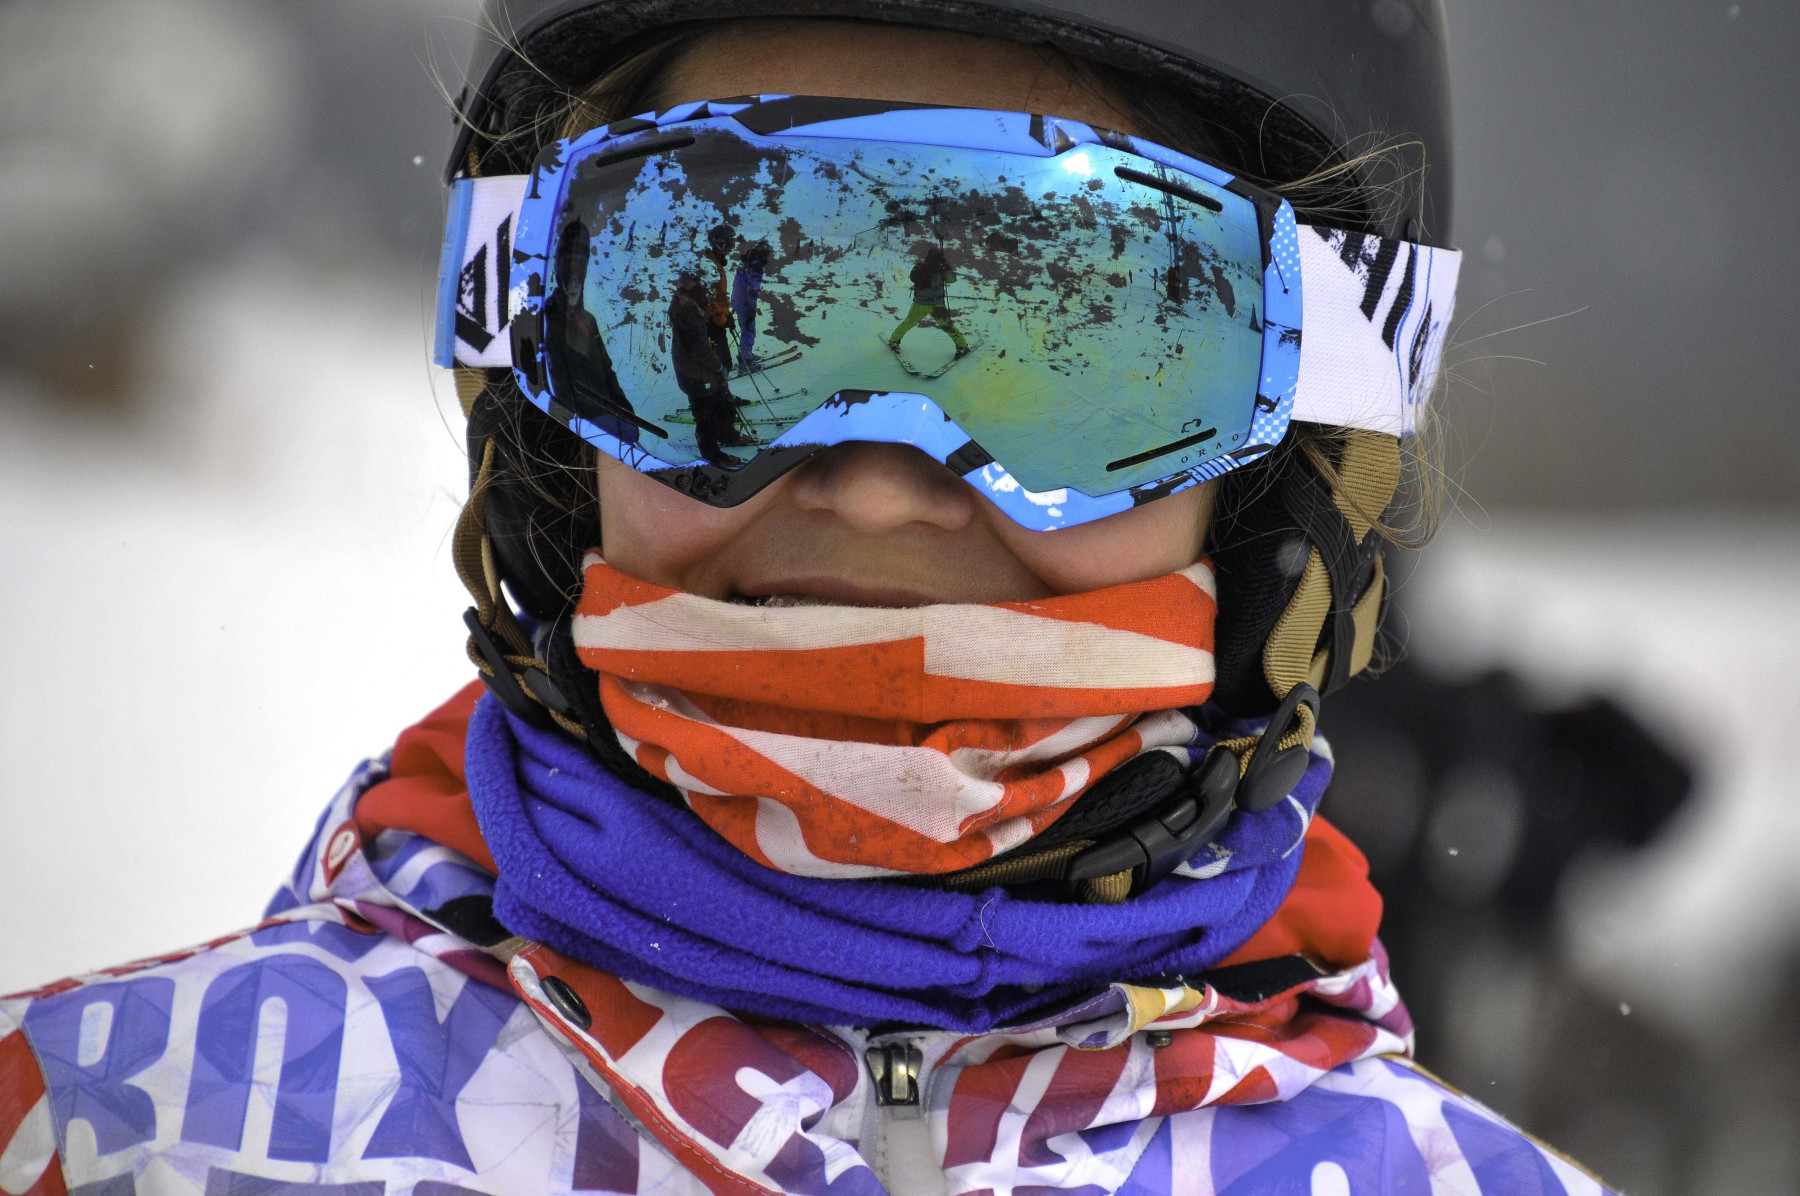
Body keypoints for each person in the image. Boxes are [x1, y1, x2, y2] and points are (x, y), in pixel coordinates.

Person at [0, 5, 1618, 1195]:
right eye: (727, 306)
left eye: (1069, 334)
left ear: (1283, 478)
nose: (879, 487)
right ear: (546, 411)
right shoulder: (102, 1137)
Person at [668, 271, 743, 464]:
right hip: (695, 374)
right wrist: (718, 368)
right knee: (705, 416)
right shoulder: (687, 309)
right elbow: (699, 349)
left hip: (700, 370)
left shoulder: (690, 301)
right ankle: (713, 456)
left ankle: (728, 436)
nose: (707, 290)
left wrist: (723, 319)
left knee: (721, 402)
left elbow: (710, 314)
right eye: (704, 286)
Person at [888, 243, 970, 359]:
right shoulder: (923, 267)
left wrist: (945, 266)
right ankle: (962, 346)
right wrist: (944, 266)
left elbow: (951, 279)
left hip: (923, 303)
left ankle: (894, 340)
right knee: (947, 326)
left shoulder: (931, 268)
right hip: (931, 304)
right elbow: (951, 279)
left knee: (908, 323)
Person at [731, 239, 771, 370]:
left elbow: (739, 281)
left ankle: (745, 354)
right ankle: (745, 362)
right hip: (745, 302)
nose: (768, 258)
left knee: (745, 329)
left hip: (738, 298)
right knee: (749, 331)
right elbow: (752, 289)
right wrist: (751, 308)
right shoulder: (755, 266)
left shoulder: (746, 261)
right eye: (767, 254)